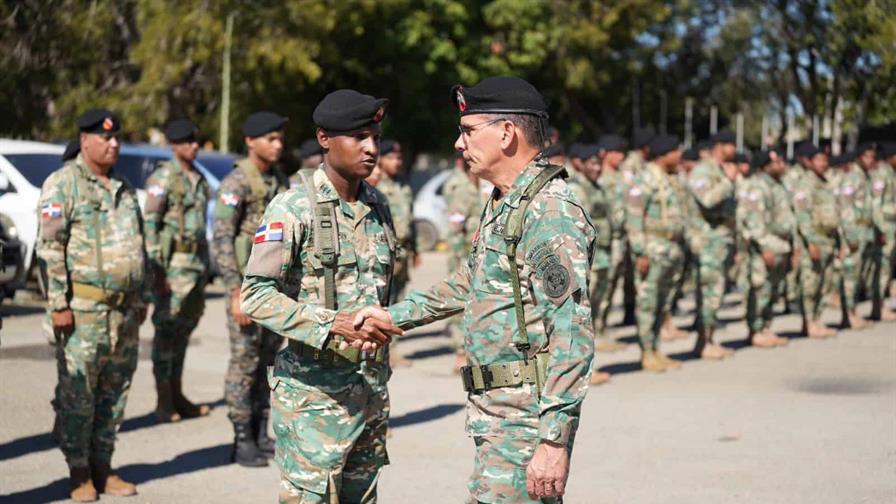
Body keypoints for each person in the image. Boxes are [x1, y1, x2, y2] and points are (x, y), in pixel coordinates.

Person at [358, 76, 595, 503]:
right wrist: (396, 316)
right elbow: (473, 280)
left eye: (468, 131)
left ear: (506, 133)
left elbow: (572, 333)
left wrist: (554, 440)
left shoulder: (549, 211)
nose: (458, 143)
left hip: (526, 420)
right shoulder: (508, 200)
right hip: (499, 414)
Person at [240, 89, 404, 503]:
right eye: (359, 137)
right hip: (314, 396)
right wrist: (332, 323)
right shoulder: (293, 207)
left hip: (370, 390)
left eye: (376, 138)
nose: (372, 149)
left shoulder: (378, 205)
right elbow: (255, 295)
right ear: (325, 139)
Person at [38, 108, 146, 501]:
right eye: (106, 137)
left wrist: (142, 296)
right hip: (82, 311)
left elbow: (139, 245)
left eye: (117, 137)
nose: (114, 144)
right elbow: (50, 247)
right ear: (85, 140)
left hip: (124, 311)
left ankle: (103, 465)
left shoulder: (123, 186)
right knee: (79, 395)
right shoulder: (63, 183)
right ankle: (79, 470)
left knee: (114, 394)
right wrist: (58, 303)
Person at [213, 111, 290, 467]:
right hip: (246, 290)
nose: (278, 145)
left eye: (280, 139)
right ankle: (241, 437)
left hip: (275, 290)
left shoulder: (277, 179)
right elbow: (222, 239)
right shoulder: (236, 182)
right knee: (244, 363)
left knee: (268, 362)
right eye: (270, 139)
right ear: (250, 141)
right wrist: (235, 292)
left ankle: (261, 430)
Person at [144, 119, 213, 423]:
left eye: (196, 141)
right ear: (174, 145)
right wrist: (157, 272)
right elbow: (150, 225)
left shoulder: (198, 178)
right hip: (172, 269)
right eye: (187, 141)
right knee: (166, 333)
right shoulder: (163, 178)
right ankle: (164, 400)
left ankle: (177, 393)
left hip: (195, 267)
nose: (194, 146)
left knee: (183, 333)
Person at [626, 135, 688, 372]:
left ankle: (656, 348)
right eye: (675, 151)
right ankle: (647, 352)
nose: (679, 155)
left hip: (671, 248)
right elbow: (634, 217)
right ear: (663, 154)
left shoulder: (671, 178)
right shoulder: (644, 179)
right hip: (652, 249)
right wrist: (640, 252)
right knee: (648, 303)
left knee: (664, 303)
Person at [686, 131, 738, 360]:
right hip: (708, 241)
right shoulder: (702, 171)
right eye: (731, 144)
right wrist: (728, 182)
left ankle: (708, 340)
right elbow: (707, 199)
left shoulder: (720, 169)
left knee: (715, 294)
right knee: (709, 294)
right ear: (720, 146)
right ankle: (704, 342)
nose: (734, 149)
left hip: (721, 240)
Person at [367, 139, 416, 368]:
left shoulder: (402, 185)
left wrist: (415, 248)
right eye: (391, 158)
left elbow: (410, 219)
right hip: (385, 251)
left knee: (399, 300)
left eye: (399, 158)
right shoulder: (375, 185)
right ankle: (388, 350)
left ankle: (392, 346)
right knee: (384, 301)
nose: (396, 162)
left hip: (403, 251)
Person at [736, 150, 793, 347]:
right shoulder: (757, 186)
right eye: (776, 162)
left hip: (780, 245)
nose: (781, 165)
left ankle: (766, 327)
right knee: (760, 289)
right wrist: (764, 247)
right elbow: (754, 221)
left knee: (773, 290)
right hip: (766, 246)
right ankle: (756, 330)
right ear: (764, 166)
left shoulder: (778, 184)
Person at [442, 152, 491, 372]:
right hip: (463, 256)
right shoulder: (461, 189)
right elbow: (455, 228)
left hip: (483, 256)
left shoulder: (485, 185)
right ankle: (460, 351)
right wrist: (455, 262)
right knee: (460, 302)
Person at [793, 147, 840, 338]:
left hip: (828, 239)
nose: (823, 164)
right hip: (814, 239)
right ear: (809, 162)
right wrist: (811, 242)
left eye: (824, 160)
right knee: (810, 283)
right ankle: (809, 322)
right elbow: (802, 215)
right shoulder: (805, 184)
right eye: (818, 160)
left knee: (825, 282)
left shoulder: (826, 182)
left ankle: (817, 319)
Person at [834, 146, 875, 329]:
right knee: (850, 275)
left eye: (872, 157)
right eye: (867, 156)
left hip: (863, 231)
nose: (870, 160)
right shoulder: (852, 177)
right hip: (854, 232)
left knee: (857, 275)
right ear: (858, 158)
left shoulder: (865, 177)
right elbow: (845, 207)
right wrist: (851, 235)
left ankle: (853, 312)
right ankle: (848, 315)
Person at [619, 127, 655, 326]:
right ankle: (629, 309)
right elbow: (630, 194)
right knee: (629, 272)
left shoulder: (644, 164)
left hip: (637, 221)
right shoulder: (630, 165)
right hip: (630, 221)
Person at [870, 142, 896, 318]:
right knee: (882, 268)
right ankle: (878, 308)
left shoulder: (890, 173)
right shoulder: (881, 174)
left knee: (888, 268)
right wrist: (882, 229)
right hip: (885, 227)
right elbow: (876, 205)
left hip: (891, 226)